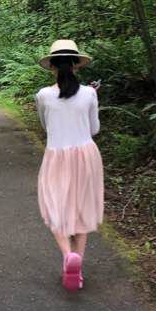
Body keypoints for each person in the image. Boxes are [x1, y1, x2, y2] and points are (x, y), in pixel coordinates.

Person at [35, 39, 104, 292]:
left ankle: (67, 257)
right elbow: (94, 129)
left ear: (52, 66)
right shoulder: (89, 93)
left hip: (56, 156)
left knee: (55, 208)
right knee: (82, 209)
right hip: (86, 155)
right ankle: (79, 266)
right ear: (76, 65)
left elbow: (46, 127)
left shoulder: (43, 95)